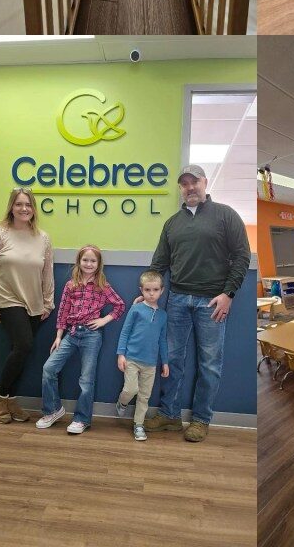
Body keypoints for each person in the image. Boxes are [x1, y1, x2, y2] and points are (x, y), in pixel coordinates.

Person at [144, 164, 251, 443]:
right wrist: (147, 292)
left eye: (195, 182)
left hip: (212, 303)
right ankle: (169, 414)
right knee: (172, 359)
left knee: (209, 364)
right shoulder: (172, 223)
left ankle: (202, 419)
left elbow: (242, 256)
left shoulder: (226, 215)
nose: (190, 188)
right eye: (184, 184)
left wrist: (228, 294)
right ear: (180, 188)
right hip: (177, 300)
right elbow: (160, 263)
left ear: (204, 182)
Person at [0, 188, 54, 424]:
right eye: (19, 204)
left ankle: (9, 399)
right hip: (7, 299)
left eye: (28, 205)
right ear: (11, 206)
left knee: (21, 351)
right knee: (24, 344)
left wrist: (48, 302)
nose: (24, 209)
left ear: (34, 209)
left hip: (35, 303)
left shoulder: (43, 238)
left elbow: (47, 272)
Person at [36, 244, 125, 435]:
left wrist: (103, 320)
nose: (89, 263)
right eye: (85, 260)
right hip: (71, 334)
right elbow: (63, 311)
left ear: (98, 264)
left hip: (92, 336)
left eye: (93, 261)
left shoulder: (103, 285)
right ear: (79, 261)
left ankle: (82, 419)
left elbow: (119, 305)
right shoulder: (71, 285)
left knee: (86, 380)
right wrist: (59, 335)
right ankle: (53, 410)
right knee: (49, 369)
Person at [116, 270, 169, 441]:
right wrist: (121, 354)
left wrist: (165, 362)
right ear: (141, 290)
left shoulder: (163, 316)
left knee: (144, 396)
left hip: (151, 364)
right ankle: (122, 402)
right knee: (131, 389)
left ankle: (138, 425)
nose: (151, 293)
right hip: (131, 359)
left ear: (161, 290)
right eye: (147, 290)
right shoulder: (136, 309)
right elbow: (125, 332)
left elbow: (163, 340)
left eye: (155, 290)